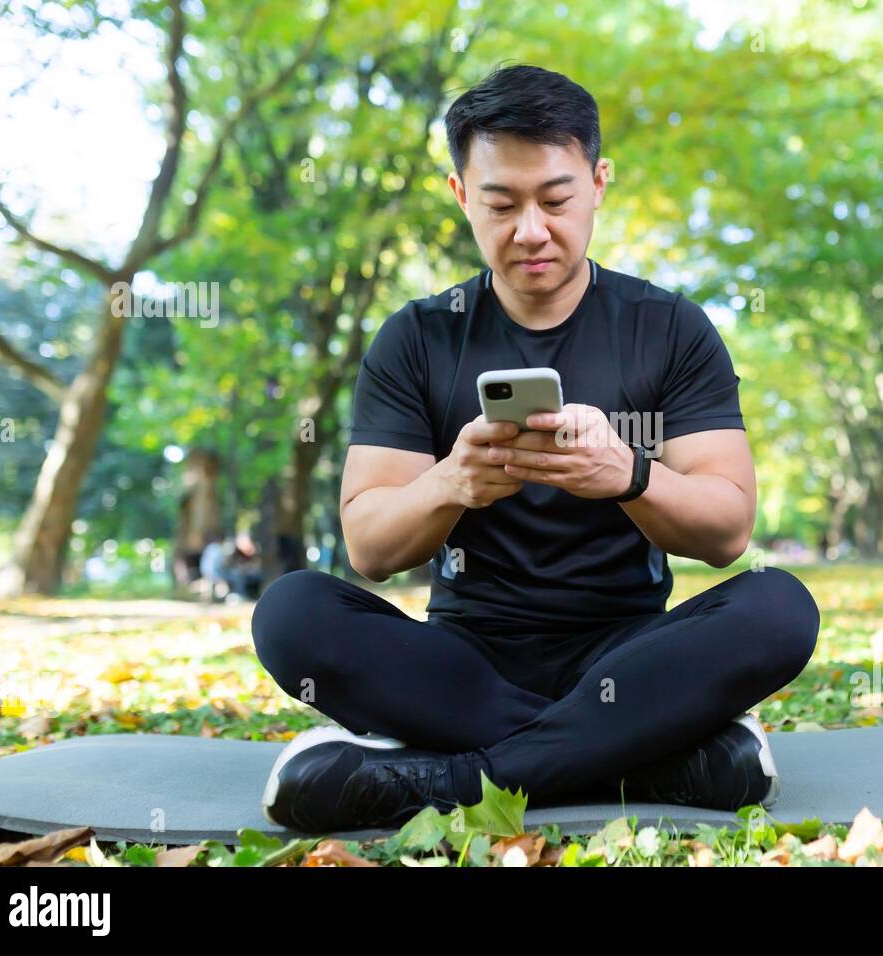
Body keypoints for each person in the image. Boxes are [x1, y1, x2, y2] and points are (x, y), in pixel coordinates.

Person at [251, 64, 820, 833]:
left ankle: (450, 781)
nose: (530, 230)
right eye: (500, 203)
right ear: (460, 197)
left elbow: (727, 532)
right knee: (289, 613)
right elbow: (369, 547)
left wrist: (629, 475)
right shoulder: (417, 337)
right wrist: (450, 484)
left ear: (597, 183)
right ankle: (639, 758)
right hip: (463, 669)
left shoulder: (671, 327)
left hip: (630, 659)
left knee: (779, 608)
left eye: (555, 199)